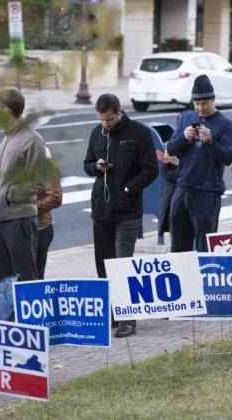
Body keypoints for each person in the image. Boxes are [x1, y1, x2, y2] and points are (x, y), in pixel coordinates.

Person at [84, 93, 158, 338]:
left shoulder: (138, 133)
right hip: (101, 210)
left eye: (109, 120)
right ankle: (113, 314)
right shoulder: (97, 133)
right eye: (102, 120)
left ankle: (128, 319)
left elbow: (150, 169)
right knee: (103, 266)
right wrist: (96, 167)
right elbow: (87, 163)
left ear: (119, 112)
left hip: (127, 211)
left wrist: (129, 188)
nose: (106, 125)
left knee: (122, 264)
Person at [167, 75, 232, 252]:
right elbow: (171, 149)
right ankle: (182, 278)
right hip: (183, 187)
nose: (200, 108)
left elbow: (228, 157)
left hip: (207, 191)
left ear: (213, 100)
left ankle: (203, 278)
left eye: (204, 103)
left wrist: (211, 141)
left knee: (204, 246)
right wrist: (184, 137)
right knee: (178, 245)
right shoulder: (185, 118)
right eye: (196, 103)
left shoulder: (224, 124)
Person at [0, 88, 47, 283]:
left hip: (18, 219)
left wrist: (10, 196)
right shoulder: (7, 137)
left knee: (25, 277)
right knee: (3, 279)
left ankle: (28, 314)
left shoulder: (32, 140)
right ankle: (7, 315)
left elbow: (38, 181)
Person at [36, 147, 62, 279]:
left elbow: (55, 198)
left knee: (35, 275)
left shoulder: (46, 166)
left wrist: (29, 208)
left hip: (40, 228)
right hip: (18, 228)